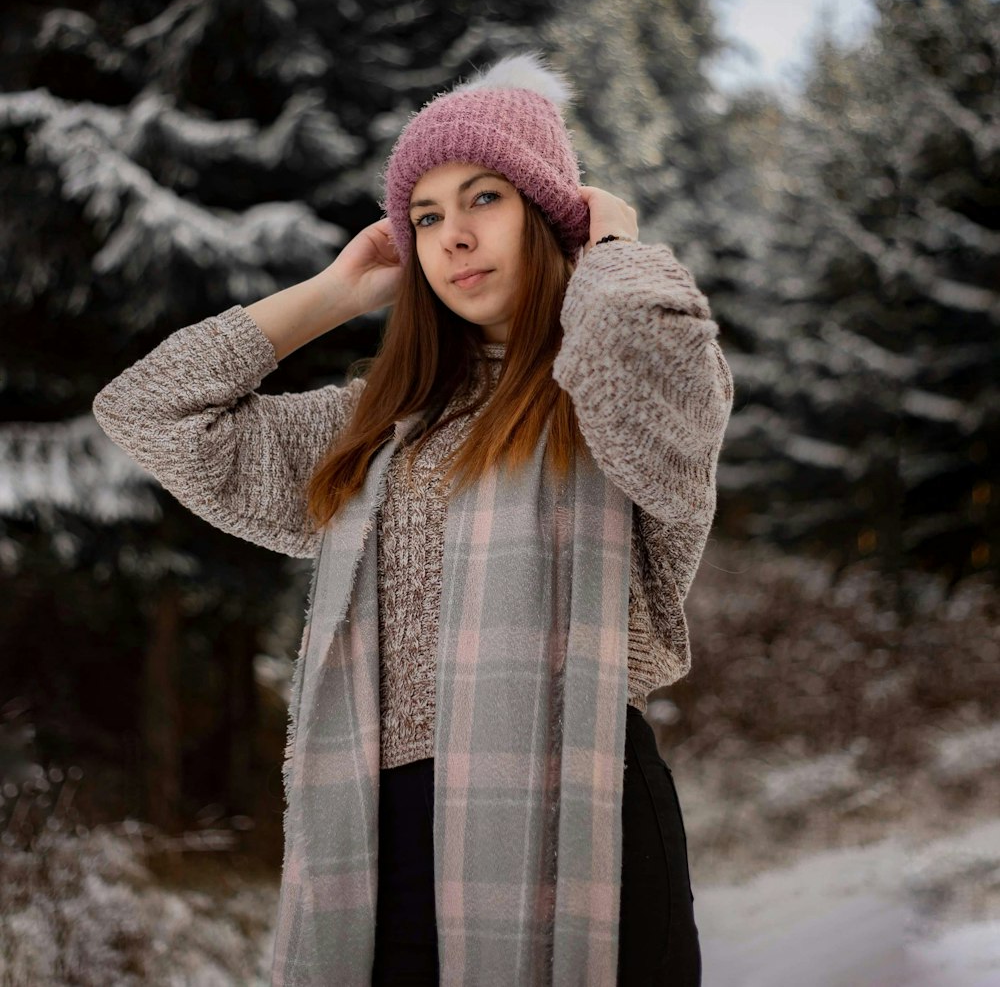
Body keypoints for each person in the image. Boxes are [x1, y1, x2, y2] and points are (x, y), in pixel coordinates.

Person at [92, 50, 734, 986]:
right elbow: (148, 410)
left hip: (581, 818)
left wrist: (614, 247)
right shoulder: (377, 433)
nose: (452, 237)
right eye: (426, 216)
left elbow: (642, 347)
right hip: (379, 844)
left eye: (485, 200)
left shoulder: (613, 398)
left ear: (551, 213)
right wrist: (335, 295)